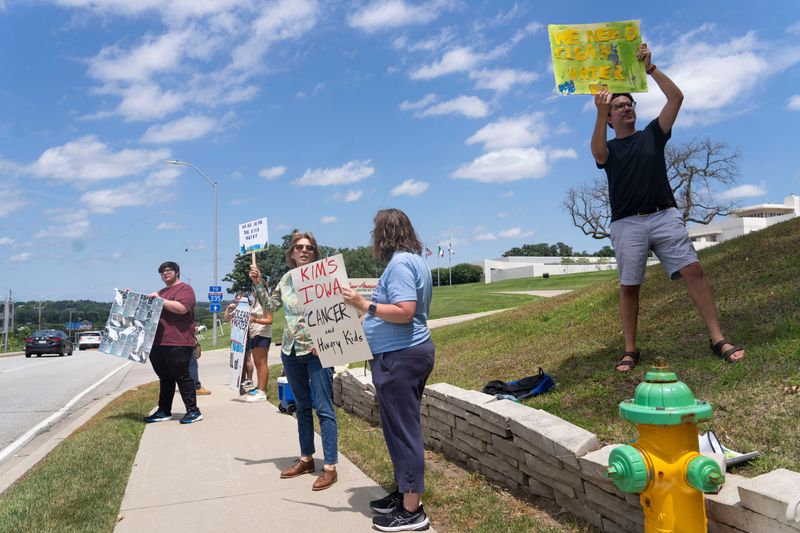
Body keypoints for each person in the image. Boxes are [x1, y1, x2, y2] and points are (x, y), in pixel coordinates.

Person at [591, 42, 745, 372]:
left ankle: (717, 338)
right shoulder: (609, 149)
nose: (625, 108)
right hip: (627, 224)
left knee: (694, 270)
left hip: (664, 215)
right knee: (629, 287)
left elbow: (676, 99)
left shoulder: (653, 134)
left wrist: (651, 69)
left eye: (628, 103)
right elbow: (597, 153)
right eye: (617, 106)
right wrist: (599, 112)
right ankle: (631, 349)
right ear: (609, 117)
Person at [342, 209, 434, 532]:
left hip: (401, 358)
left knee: (404, 432)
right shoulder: (415, 260)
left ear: (383, 233)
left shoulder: (399, 265)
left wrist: (363, 304)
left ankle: (412, 512)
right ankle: (404, 493)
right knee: (397, 429)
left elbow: (405, 311)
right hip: (406, 355)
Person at [249, 231, 339, 491]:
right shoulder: (287, 279)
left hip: (317, 352)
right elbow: (272, 305)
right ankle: (307, 458)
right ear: (291, 252)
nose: (304, 251)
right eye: (299, 247)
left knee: (324, 407)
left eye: (309, 247)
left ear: (315, 252)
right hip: (290, 351)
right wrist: (258, 283)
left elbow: (337, 312)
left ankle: (330, 465)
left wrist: (325, 340)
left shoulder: (324, 277)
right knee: (301, 407)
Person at [144, 261, 203, 424]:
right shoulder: (161, 291)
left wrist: (160, 300)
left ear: (177, 272)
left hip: (178, 340)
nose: (165, 273)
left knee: (182, 376)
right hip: (158, 342)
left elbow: (182, 308)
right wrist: (130, 298)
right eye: (162, 272)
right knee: (165, 377)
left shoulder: (185, 289)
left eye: (168, 270)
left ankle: (193, 411)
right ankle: (164, 411)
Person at [243, 291, 273, 402]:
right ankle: (259, 388)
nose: (253, 291)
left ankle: (262, 392)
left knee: (262, 363)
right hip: (254, 334)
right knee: (257, 363)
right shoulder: (255, 302)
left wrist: (255, 319)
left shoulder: (265, 302)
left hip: (262, 334)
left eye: (255, 288)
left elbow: (270, 320)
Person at [224, 293, 255, 393]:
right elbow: (226, 318)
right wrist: (228, 309)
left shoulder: (249, 308)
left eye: (239, 298)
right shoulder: (234, 309)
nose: (237, 300)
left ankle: (249, 379)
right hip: (236, 337)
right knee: (237, 358)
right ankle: (240, 380)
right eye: (236, 298)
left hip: (245, 336)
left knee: (246, 358)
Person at [188, 327, 211, 395]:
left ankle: (190, 386)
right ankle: (196, 387)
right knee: (192, 364)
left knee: (187, 365)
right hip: (186, 340)